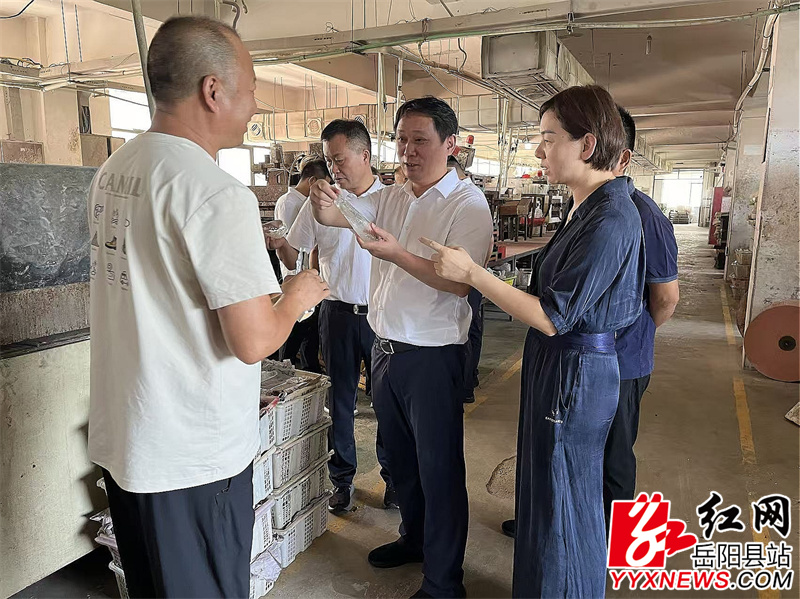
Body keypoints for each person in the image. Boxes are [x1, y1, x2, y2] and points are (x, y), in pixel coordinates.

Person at [87, 16, 328, 599]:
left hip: (131, 440)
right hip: (191, 456)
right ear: (212, 90)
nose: (255, 104)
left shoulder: (117, 170)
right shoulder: (216, 193)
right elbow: (253, 341)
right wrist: (296, 297)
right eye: (250, 88)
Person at [424, 85, 645, 598]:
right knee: (546, 491)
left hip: (575, 370)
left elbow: (552, 316)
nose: (538, 150)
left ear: (587, 145)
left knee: (563, 498)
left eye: (548, 138)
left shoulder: (612, 217)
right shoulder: (588, 208)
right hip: (562, 365)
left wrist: (473, 274)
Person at [309, 97, 493, 599]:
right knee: (403, 463)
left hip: (432, 357)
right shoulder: (392, 195)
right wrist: (325, 199)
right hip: (386, 351)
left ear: (450, 145)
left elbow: (459, 283)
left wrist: (395, 253)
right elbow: (340, 216)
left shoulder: (467, 205)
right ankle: (414, 539)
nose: (408, 151)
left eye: (420, 141)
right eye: (402, 140)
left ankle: (444, 581)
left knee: (439, 470)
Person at [271, 119, 396, 513]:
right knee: (340, 402)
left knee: (387, 402)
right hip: (336, 313)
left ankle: (393, 479)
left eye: (339, 159)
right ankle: (341, 481)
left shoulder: (391, 202)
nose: (334, 168)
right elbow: (293, 254)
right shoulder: (321, 201)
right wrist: (278, 242)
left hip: (381, 315)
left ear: (365, 155)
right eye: (328, 160)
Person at [603, 106, 679, 524]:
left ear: (622, 156)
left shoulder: (645, 216)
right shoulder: (586, 209)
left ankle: (613, 540)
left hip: (622, 361)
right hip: (584, 357)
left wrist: (635, 332)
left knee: (613, 456)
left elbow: (664, 299)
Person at [446, 155, 484, 403]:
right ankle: (468, 380)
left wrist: (475, 274)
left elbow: (487, 244)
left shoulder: (471, 197)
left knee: (468, 330)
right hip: (463, 276)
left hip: (469, 278)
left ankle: (466, 385)